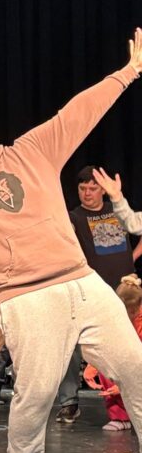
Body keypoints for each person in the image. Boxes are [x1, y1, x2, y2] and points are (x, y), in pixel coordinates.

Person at [0, 28, 142, 453]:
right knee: (36, 392)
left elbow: (77, 113)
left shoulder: (30, 151)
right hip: (26, 296)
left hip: (82, 282)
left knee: (136, 368)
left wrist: (129, 72)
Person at [58, 165, 142, 423]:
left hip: (126, 289)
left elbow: (136, 225)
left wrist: (133, 256)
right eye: (82, 188)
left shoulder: (117, 211)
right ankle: (70, 401)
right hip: (94, 290)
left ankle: (128, 405)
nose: (87, 193)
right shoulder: (74, 216)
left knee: (131, 343)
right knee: (73, 342)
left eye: (92, 187)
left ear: (103, 191)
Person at [83, 275, 142, 431]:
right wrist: (92, 367)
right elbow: (106, 344)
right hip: (130, 360)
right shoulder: (113, 317)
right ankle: (121, 417)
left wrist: (126, 384)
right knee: (106, 369)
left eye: (131, 312)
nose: (127, 316)